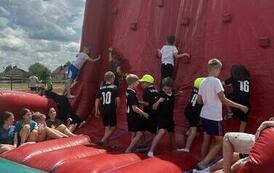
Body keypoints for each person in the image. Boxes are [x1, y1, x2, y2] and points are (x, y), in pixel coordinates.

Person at [196, 59, 248, 170]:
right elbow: (223, 100)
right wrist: (240, 106)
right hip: (214, 116)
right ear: (216, 69)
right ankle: (204, 162)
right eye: (220, 69)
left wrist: (208, 99)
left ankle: (202, 159)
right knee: (221, 141)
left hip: (204, 114)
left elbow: (199, 101)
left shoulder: (203, 82)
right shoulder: (216, 81)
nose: (220, 72)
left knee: (207, 139)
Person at [147, 77, 176, 157]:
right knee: (161, 132)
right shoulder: (160, 95)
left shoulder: (172, 93)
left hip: (170, 117)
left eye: (169, 88)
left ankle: (174, 149)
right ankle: (151, 151)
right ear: (163, 87)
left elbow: (171, 97)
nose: (167, 90)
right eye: (165, 88)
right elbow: (154, 107)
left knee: (171, 134)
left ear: (171, 87)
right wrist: (159, 101)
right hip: (162, 118)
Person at [177, 77, 205, 153]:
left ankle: (190, 131)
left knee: (193, 125)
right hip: (194, 112)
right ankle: (187, 147)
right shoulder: (202, 92)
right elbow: (201, 102)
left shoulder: (194, 90)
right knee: (194, 129)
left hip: (188, 110)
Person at [125, 74, 149, 153]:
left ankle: (132, 148)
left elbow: (132, 103)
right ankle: (128, 149)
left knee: (133, 133)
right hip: (134, 115)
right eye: (137, 82)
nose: (138, 83)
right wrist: (143, 113)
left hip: (129, 115)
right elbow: (134, 108)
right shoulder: (131, 93)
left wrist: (140, 103)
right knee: (139, 133)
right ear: (133, 83)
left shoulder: (128, 91)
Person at [95, 71, 120, 145]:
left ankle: (106, 142)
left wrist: (96, 110)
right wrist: (117, 108)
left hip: (103, 109)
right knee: (113, 127)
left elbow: (97, 99)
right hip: (111, 108)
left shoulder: (101, 88)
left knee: (107, 126)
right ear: (112, 78)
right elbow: (118, 100)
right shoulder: (114, 87)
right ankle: (102, 140)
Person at [223, 65, 250, 132]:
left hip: (235, 102)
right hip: (246, 104)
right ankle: (241, 136)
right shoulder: (248, 80)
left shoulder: (233, 79)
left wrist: (229, 83)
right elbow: (241, 87)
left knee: (223, 95)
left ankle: (230, 112)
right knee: (243, 122)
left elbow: (220, 84)